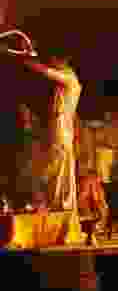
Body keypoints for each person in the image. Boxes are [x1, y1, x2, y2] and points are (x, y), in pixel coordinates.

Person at [19, 49, 82, 212]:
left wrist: (29, 62)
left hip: (61, 128)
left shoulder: (70, 79)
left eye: (54, 59)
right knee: (58, 167)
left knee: (56, 165)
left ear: (63, 60)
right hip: (58, 126)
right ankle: (56, 203)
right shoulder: (65, 81)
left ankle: (58, 203)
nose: (52, 62)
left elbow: (46, 72)